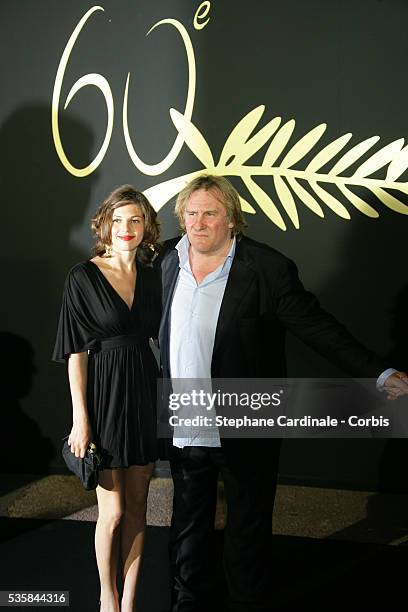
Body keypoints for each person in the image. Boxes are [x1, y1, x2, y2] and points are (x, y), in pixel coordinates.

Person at [157, 174, 408, 612]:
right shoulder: (164, 261)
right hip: (183, 419)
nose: (198, 223)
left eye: (210, 213)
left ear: (232, 219)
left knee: (247, 533)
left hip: (246, 419)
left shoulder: (267, 269)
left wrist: (378, 372)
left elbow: (319, 329)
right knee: (186, 529)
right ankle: (186, 604)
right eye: (191, 213)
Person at [53, 185, 161, 612]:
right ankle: (107, 597)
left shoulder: (154, 276)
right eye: (117, 220)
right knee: (112, 512)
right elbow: (75, 354)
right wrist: (81, 419)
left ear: (146, 226)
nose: (126, 228)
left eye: (135, 220)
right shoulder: (82, 276)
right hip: (104, 396)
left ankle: (129, 599)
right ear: (104, 225)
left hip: (145, 391)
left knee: (138, 506)